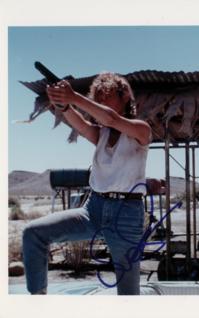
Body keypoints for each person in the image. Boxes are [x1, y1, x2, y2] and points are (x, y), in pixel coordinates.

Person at [22, 72, 152, 295]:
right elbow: (80, 124)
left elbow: (111, 118)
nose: (100, 101)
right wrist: (62, 105)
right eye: (97, 96)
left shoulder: (141, 129)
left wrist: (74, 98)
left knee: (129, 291)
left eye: (106, 96)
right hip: (94, 208)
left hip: (127, 215)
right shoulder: (101, 134)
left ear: (124, 98)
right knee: (33, 233)